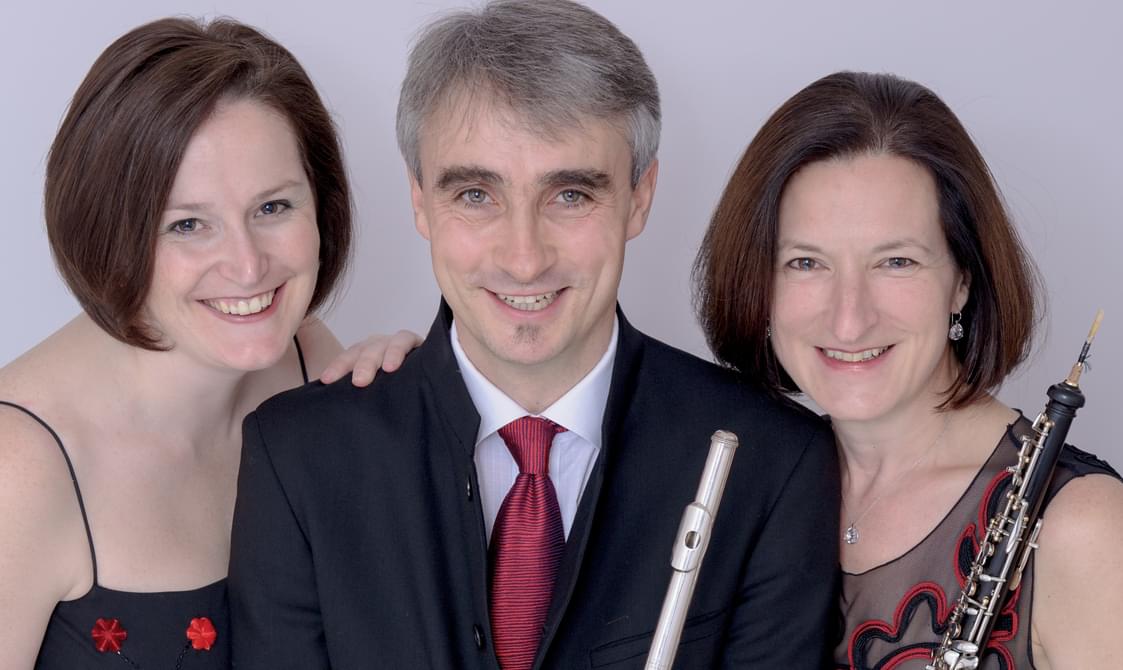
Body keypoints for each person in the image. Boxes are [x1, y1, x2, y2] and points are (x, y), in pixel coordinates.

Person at [227, 1, 840, 668]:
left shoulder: (775, 461)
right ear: (419, 200)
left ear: (639, 196)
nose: (524, 258)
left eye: (570, 195)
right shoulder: (297, 455)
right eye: (475, 195)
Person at [0, 18, 415, 669]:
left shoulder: (308, 359)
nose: (248, 267)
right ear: (109, 233)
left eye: (272, 208)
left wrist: (407, 408)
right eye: (189, 224)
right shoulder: (16, 470)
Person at [694, 71, 1123, 669]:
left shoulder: (1083, 529)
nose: (849, 320)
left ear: (962, 280)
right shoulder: (734, 489)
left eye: (896, 261)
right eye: (806, 262)